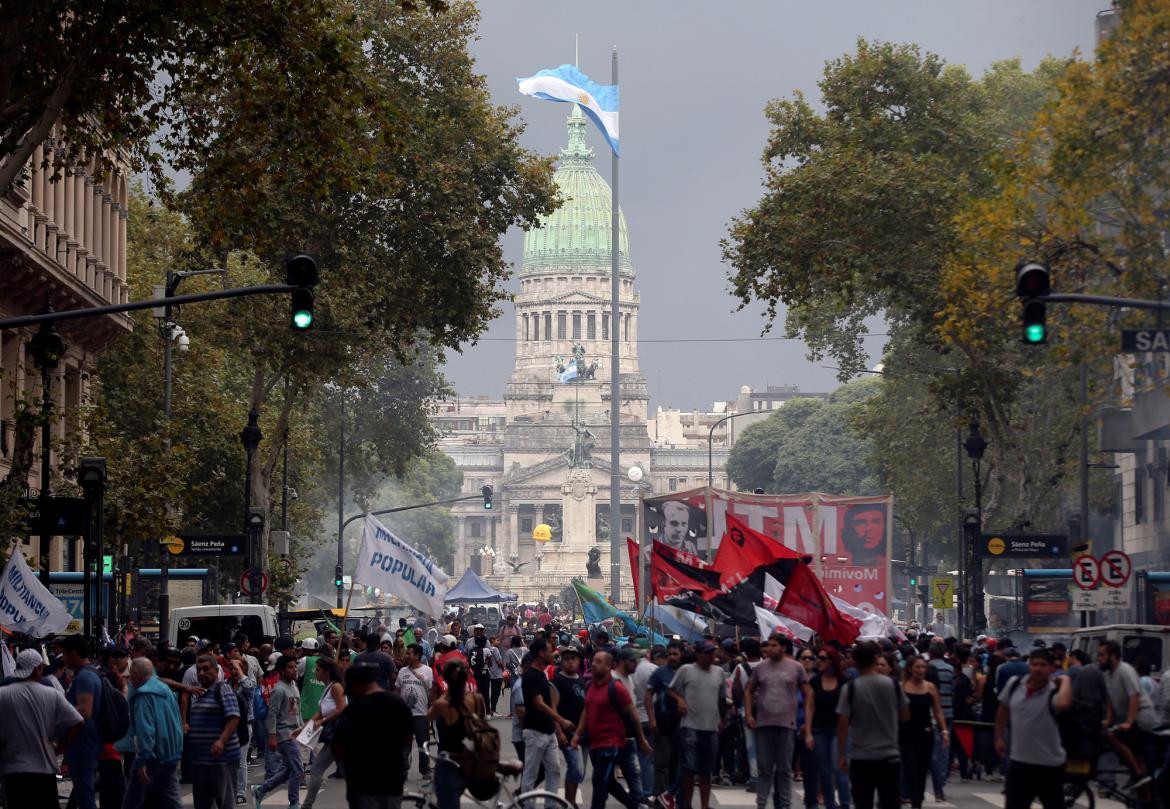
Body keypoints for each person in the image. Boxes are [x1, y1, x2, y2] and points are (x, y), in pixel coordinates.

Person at [0, 648, 84, 809]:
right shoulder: (52, 694)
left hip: (13, 769)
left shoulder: (3, 694)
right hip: (44, 768)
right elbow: (77, 722)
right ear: (38, 668)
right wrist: (61, 747)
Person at [994, 648, 1073, 809]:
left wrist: (1065, 680)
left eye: (1043, 665)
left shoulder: (1055, 692)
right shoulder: (1015, 684)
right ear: (1029, 666)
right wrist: (999, 736)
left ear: (1052, 668)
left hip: (1049, 766)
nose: (1038, 668)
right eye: (1034, 664)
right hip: (1019, 764)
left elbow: (1063, 704)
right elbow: (1003, 708)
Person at [572, 650, 653, 809]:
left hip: (612, 745)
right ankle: (635, 806)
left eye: (599, 662)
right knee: (606, 781)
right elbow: (586, 712)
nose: (594, 664)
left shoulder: (617, 687)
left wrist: (641, 739)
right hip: (596, 744)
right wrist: (578, 735)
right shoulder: (590, 686)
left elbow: (634, 716)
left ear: (610, 666)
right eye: (594, 661)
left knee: (600, 786)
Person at [837, 641, 909, 809]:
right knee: (890, 802)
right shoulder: (892, 685)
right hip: (889, 755)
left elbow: (843, 726)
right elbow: (905, 715)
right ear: (876, 658)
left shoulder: (850, 688)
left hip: (861, 757)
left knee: (863, 803)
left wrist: (841, 755)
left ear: (854, 660)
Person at [333, 661, 413, 809]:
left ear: (357, 683)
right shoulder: (399, 704)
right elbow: (407, 740)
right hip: (392, 782)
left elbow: (338, 748)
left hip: (363, 784)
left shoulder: (353, 710)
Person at [744, 634, 811, 809]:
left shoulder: (796, 668)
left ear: (782, 647)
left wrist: (808, 723)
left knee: (784, 770)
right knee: (765, 769)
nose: (770, 649)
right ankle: (761, 805)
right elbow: (748, 691)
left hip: (786, 725)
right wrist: (749, 715)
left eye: (774, 645)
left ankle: (785, 805)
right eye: (769, 645)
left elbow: (809, 694)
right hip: (764, 724)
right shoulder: (760, 668)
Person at [671, 639, 728, 809]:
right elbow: (671, 689)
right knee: (688, 769)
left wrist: (721, 720)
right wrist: (680, 700)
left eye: (712, 652)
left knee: (706, 771)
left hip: (711, 728)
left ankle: (705, 805)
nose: (711, 656)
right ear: (698, 654)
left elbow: (722, 699)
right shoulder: (686, 670)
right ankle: (687, 804)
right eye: (708, 652)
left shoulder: (719, 672)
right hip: (690, 727)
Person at [121, 657, 184, 809]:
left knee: (132, 801)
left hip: (152, 756)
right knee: (171, 800)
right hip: (170, 754)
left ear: (136, 674)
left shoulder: (143, 695)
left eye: (130, 674)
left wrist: (142, 760)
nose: (129, 678)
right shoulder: (165, 689)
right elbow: (176, 720)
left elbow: (146, 731)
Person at [1098, 640, 1159, 788]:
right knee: (1132, 751)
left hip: (1142, 717)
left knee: (1113, 736)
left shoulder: (1125, 670)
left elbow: (1134, 696)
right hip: (1129, 719)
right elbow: (1110, 699)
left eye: (1102, 655)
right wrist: (1109, 719)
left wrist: (1129, 722)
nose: (1098, 658)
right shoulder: (1107, 674)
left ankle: (1136, 773)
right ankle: (1142, 783)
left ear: (1113, 656)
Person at [428, 658, 486, 809]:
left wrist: (435, 689)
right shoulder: (476, 699)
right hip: (471, 761)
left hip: (449, 763)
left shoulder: (443, 704)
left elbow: (429, 716)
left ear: (445, 679)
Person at [187, 654, 241, 809]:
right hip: (202, 761)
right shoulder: (201, 693)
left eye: (206, 669)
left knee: (225, 802)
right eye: (199, 670)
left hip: (222, 760)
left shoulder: (222, 689)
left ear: (216, 671)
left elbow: (234, 717)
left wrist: (221, 741)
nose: (202, 673)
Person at [520, 639, 573, 796]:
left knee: (554, 770)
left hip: (548, 731)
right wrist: (561, 720)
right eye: (550, 651)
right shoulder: (530, 676)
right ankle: (528, 806)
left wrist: (557, 730)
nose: (553, 654)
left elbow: (548, 704)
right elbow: (540, 704)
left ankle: (552, 804)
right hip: (535, 731)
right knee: (531, 773)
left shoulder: (542, 674)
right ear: (542, 654)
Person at [252, 655, 303, 807]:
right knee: (298, 769)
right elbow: (272, 714)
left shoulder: (293, 685)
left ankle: (261, 790)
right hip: (284, 734)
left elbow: (297, 711)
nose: (294, 670)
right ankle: (294, 802)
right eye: (290, 667)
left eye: (295, 666)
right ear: (281, 670)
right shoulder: (279, 690)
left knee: (290, 769)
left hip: (295, 732)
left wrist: (302, 728)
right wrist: (272, 736)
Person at [61, 634, 103, 809]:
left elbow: (85, 710)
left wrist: (59, 712)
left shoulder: (85, 677)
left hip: (83, 744)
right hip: (83, 743)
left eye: (64, 654)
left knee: (85, 796)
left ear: (73, 653)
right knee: (82, 793)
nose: (63, 658)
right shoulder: (89, 674)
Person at [899, 656, 947, 809]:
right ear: (910, 668)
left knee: (921, 771)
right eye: (917, 667)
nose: (921, 670)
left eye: (923, 667)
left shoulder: (930, 687)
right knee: (910, 769)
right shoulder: (902, 686)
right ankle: (913, 798)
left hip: (925, 734)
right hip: (906, 734)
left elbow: (938, 711)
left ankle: (917, 802)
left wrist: (944, 730)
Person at [806, 647, 850, 809]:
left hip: (839, 731)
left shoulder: (844, 682)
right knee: (824, 771)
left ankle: (845, 804)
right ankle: (830, 804)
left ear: (832, 661)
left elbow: (850, 709)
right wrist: (809, 732)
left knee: (839, 770)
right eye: (819, 657)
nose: (819, 660)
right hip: (819, 730)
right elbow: (810, 706)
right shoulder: (815, 681)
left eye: (823, 658)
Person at [302, 658, 348, 809]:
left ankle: (306, 806)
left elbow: (342, 708)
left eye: (318, 669)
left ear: (327, 671)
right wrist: (305, 727)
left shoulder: (336, 687)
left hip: (340, 735)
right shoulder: (327, 687)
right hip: (336, 736)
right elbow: (321, 712)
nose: (315, 672)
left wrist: (323, 721)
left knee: (316, 769)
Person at [647, 639, 684, 809]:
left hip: (682, 725)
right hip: (662, 724)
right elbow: (648, 695)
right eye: (670, 654)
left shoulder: (687, 672)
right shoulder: (659, 673)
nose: (672, 657)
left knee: (679, 764)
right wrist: (652, 719)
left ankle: (675, 797)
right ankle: (659, 797)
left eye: (675, 654)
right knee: (662, 763)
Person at [552, 647, 589, 807]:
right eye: (567, 658)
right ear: (562, 660)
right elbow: (552, 709)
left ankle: (570, 801)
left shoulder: (581, 681)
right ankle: (569, 801)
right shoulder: (557, 682)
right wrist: (559, 732)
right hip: (565, 734)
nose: (570, 661)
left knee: (578, 771)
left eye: (573, 658)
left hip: (581, 733)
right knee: (576, 768)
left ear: (579, 661)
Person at [395, 644, 434, 784]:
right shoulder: (402, 671)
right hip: (404, 716)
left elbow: (432, 692)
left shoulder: (428, 671)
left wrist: (432, 709)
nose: (406, 656)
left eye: (409, 653)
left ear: (417, 655)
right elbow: (397, 691)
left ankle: (425, 769)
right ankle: (403, 770)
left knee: (423, 743)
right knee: (404, 745)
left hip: (421, 714)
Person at [732, 639, 764, 793]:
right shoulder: (766, 665)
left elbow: (735, 689)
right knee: (765, 745)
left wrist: (739, 705)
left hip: (747, 712)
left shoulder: (740, 668)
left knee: (751, 746)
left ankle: (755, 778)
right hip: (767, 712)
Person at [923, 640, 952, 802]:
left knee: (933, 750)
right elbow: (952, 690)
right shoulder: (949, 669)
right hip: (947, 711)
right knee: (944, 749)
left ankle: (937, 782)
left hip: (932, 713)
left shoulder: (925, 668)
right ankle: (940, 779)